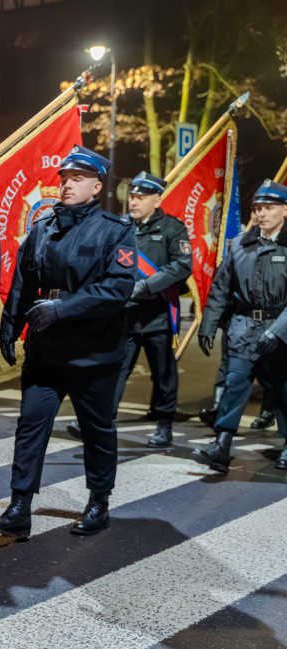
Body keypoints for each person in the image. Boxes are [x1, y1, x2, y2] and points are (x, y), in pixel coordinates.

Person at [0, 145, 136, 539]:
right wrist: (8, 329)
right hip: (46, 351)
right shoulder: (43, 227)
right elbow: (22, 284)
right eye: (64, 179)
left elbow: (117, 290)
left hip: (94, 352)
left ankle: (98, 502)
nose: (67, 185)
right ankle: (19, 506)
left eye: (77, 179)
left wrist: (62, 308)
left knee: (96, 430)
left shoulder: (115, 230)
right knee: (31, 426)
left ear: (96, 186)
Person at [68, 172, 191, 448]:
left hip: (157, 313)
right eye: (132, 196)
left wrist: (146, 286)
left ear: (157, 200)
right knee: (114, 370)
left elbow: (182, 265)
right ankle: (100, 421)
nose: (133, 201)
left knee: (163, 373)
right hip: (124, 313)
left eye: (140, 197)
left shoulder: (173, 228)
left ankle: (164, 425)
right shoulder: (122, 227)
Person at [193, 179, 287, 472]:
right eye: (257, 208)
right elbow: (220, 289)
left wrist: (278, 330)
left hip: (281, 330)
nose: (261, 214)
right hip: (244, 327)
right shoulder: (239, 245)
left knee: (284, 391)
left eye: (268, 208)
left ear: (285, 211)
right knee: (235, 384)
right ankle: (221, 445)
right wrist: (207, 324)